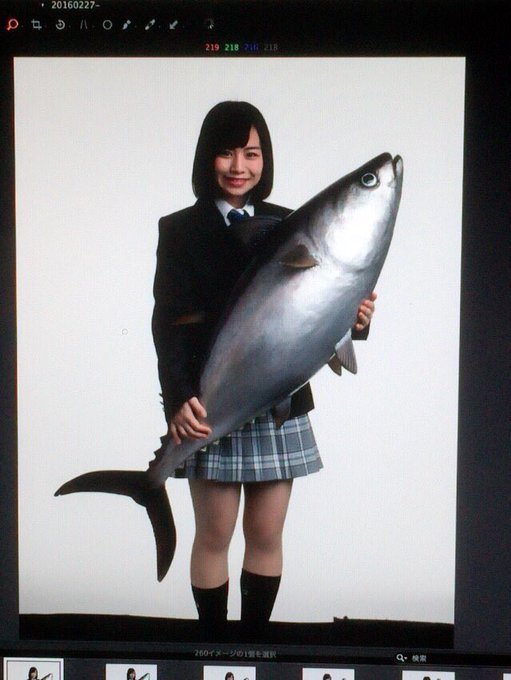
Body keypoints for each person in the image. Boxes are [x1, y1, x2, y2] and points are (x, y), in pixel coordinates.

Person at [152, 101, 375, 639]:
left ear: (264, 159)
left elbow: (319, 311)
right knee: (214, 536)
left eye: (251, 154)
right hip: (211, 405)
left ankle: (253, 651)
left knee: (267, 535)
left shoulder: (293, 222)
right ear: (207, 157)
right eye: (226, 152)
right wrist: (179, 398)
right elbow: (167, 322)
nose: (238, 166)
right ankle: (213, 650)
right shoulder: (180, 230)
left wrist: (357, 320)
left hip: (281, 403)